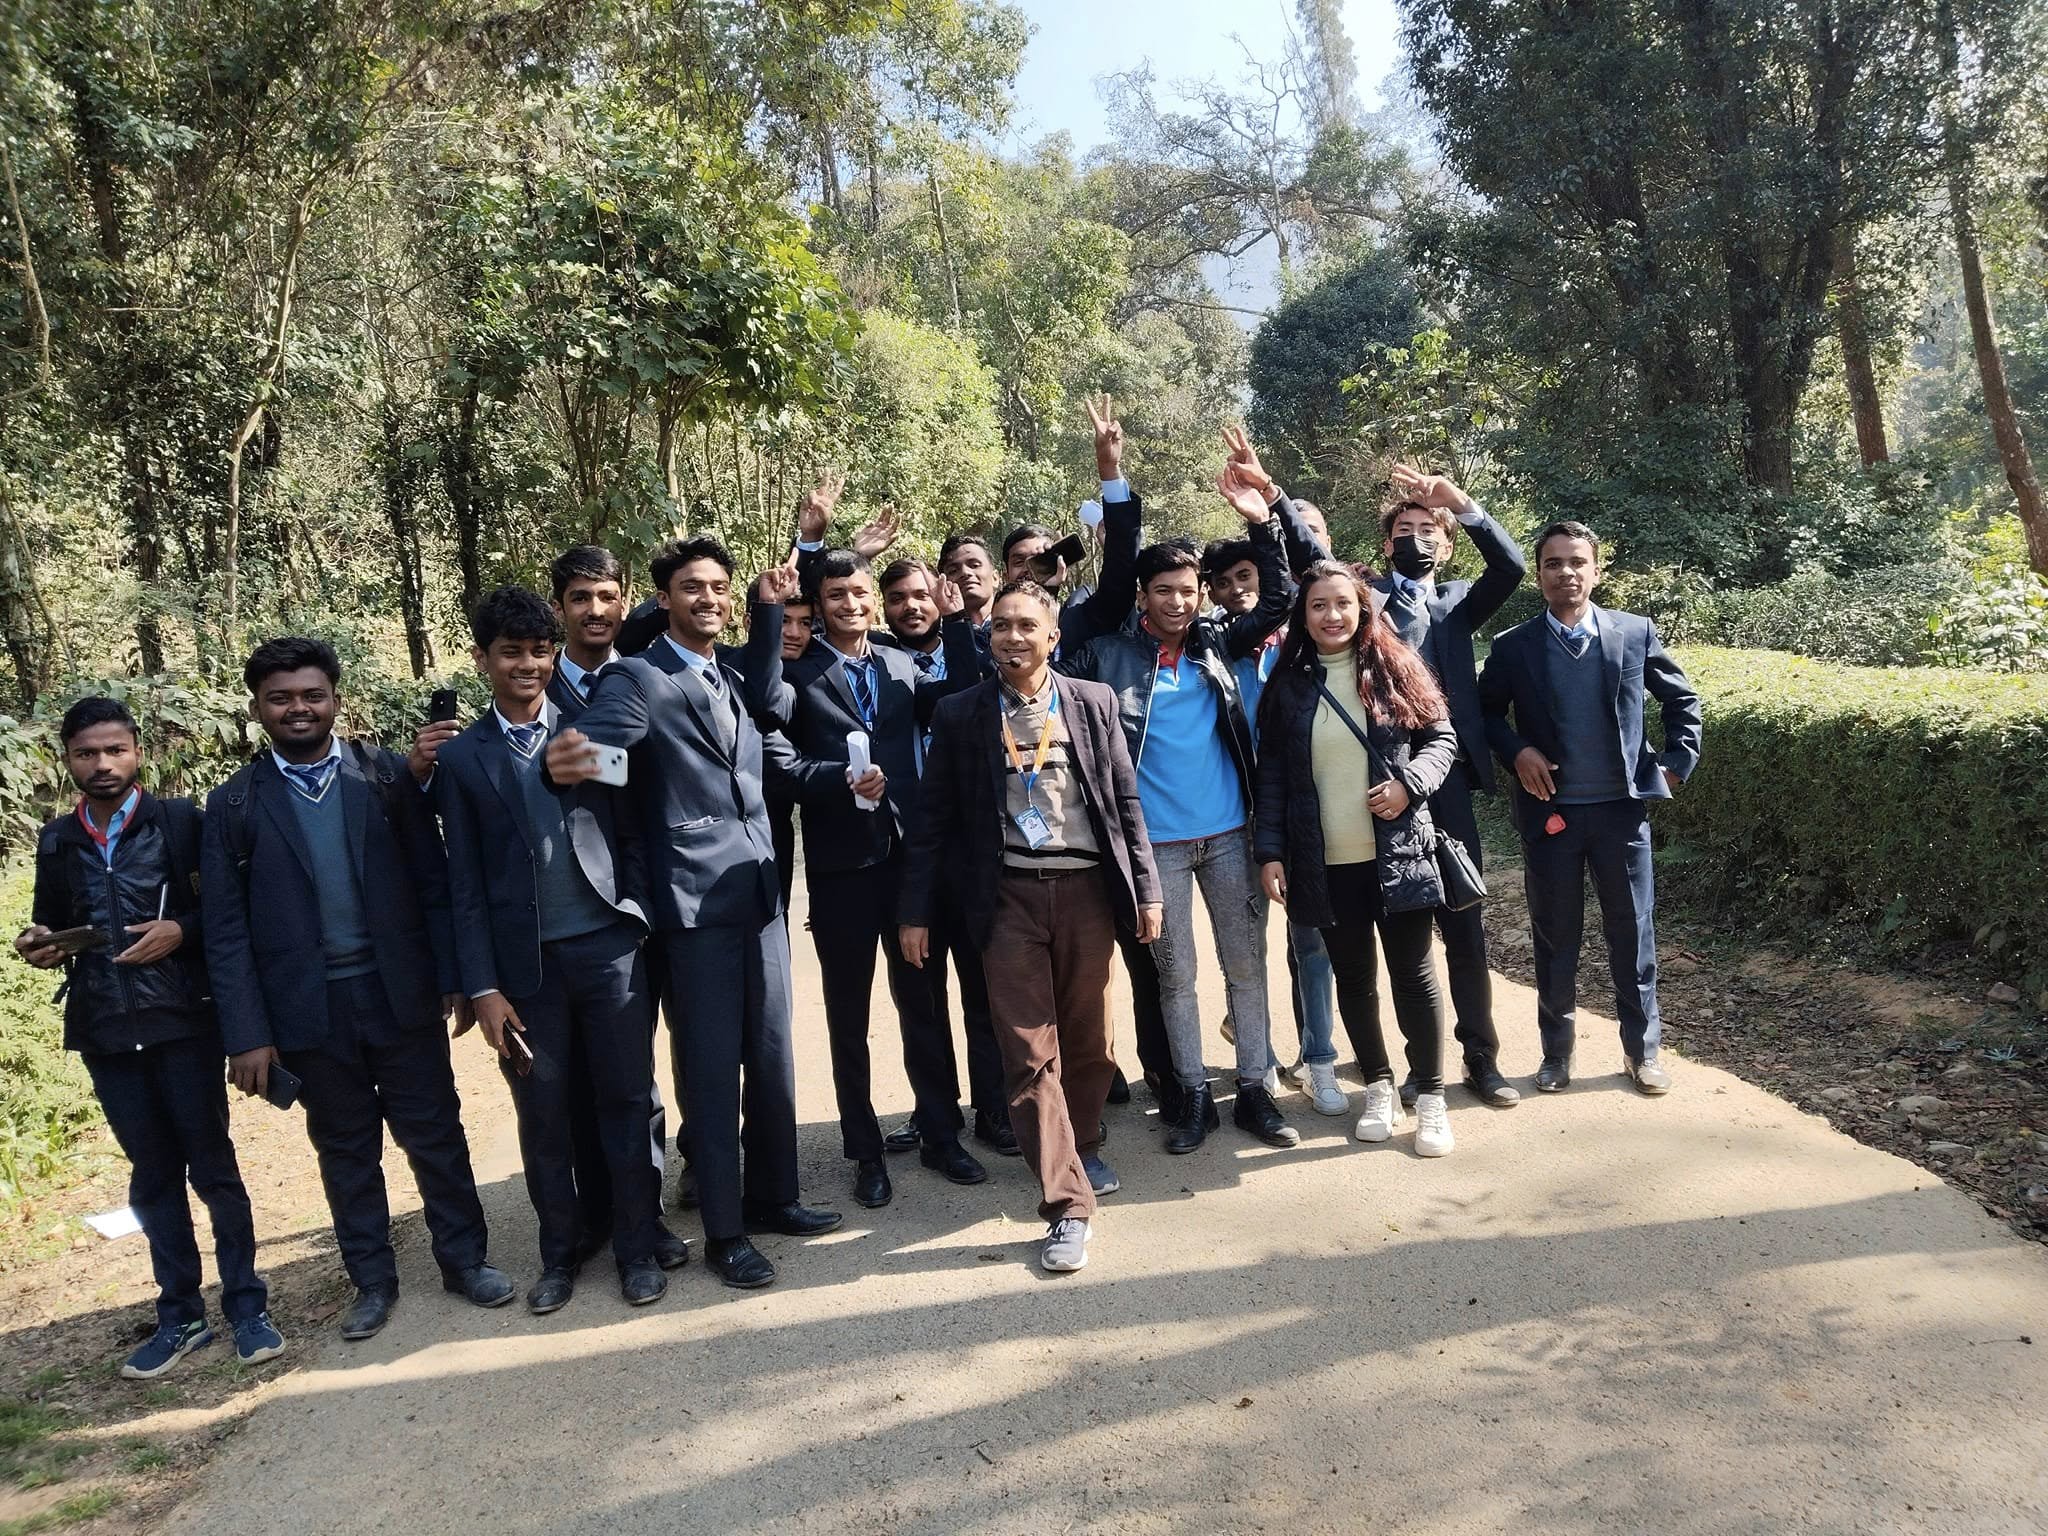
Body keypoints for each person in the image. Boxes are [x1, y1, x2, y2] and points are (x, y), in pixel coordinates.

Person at [546, 537, 840, 1290]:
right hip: (691, 907)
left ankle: (774, 1195)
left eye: (717, 586)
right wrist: (574, 762)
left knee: (771, 1057)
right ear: (664, 599)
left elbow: (772, 713)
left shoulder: (732, 673)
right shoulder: (639, 676)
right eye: (691, 587)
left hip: (760, 894)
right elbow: (595, 754)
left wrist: (770, 613)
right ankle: (724, 1232)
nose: (706, 598)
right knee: (710, 1074)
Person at [204, 638, 510, 1340]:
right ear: (258, 708)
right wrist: (247, 1033)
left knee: (434, 1132)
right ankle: (372, 1282)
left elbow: (434, 882)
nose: (299, 708)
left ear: (336, 700)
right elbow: (225, 931)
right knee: (344, 1149)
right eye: (281, 698)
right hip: (308, 1009)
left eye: (312, 695)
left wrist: (454, 978)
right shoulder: (235, 803)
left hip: (399, 994)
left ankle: (466, 1261)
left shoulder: (384, 776)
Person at [899, 581, 1163, 1272]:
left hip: (1087, 895)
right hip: (1006, 899)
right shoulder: (961, 712)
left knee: (1091, 1044)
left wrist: (1147, 891)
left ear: (1053, 637)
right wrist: (915, 911)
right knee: (1027, 1051)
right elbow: (932, 820)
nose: (1012, 637)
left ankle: (1081, 1144)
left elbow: (1125, 802)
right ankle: (1067, 1204)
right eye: (1000, 627)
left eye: (1026, 626)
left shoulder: (1091, 702)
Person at [16, 699, 283, 1379]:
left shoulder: (181, 822)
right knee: (152, 1175)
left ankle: (247, 1307)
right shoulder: (57, 840)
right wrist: (39, 944)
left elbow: (229, 912)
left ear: (137, 752)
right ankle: (181, 1315)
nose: (102, 764)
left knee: (214, 1169)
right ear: (68, 760)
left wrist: (180, 930)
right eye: (87, 753)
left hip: (183, 1024)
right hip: (106, 1032)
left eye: (115, 750)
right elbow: (50, 924)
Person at [434, 587, 677, 1314]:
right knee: (544, 1118)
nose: (528, 665)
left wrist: (637, 916)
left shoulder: (588, 734)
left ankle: (637, 1250)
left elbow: (632, 830)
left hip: (609, 952)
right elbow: (462, 885)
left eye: (540, 651)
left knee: (627, 1102)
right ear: (483, 659)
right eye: (511, 652)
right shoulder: (461, 760)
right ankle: (559, 1257)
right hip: (525, 976)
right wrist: (483, 988)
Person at [1060, 468, 1300, 1154]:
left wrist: (1261, 520)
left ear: (1202, 594)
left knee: (1245, 966)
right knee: (1176, 977)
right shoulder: (1105, 656)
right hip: (1155, 845)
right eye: (1163, 590)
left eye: (1188, 590)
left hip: (1229, 836)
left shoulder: (1216, 642)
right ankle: (1192, 1093)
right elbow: (1054, 661)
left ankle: (1254, 1089)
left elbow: (1280, 597)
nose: (1177, 601)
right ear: (1143, 596)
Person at [746, 547, 983, 1208]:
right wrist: (840, 780)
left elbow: (961, 701)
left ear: (871, 599)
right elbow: (774, 744)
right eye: (836, 596)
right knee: (848, 1019)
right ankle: (866, 1151)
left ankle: (941, 1133)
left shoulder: (902, 665)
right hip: (841, 872)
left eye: (858, 593)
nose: (850, 604)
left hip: (910, 868)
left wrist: (956, 624)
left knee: (923, 1005)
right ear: (820, 607)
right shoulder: (798, 673)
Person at [1479, 521, 1701, 1096]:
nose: (1566, 573)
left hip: (1621, 815)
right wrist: (1517, 751)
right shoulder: (1514, 646)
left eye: (1577, 562)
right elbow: (1483, 715)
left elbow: (1681, 699)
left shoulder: (1634, 632)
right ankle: (1557, 1055)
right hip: (1550, 817)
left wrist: (1676, 762)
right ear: (1540, 575)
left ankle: (1642, 1052)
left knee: (1633, 934)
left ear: (1596, 571)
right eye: (1553, 563)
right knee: (1555, 937)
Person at [1255, 562, 1463, 1154]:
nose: (1332, 615)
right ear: (1303, 616)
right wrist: (1270, 852)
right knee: (1353, 979)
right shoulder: (1288, 686)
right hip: (1325, 862)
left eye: (1343, 603)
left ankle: (1431, 1098)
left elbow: (1442, 739)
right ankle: (1377, 1085)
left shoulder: (1395, 667)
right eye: (1318, 605)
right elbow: (1273, 778)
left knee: (1414, 976)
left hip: (1398, 852)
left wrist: (1409, 786)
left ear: (1363, 608)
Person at [1357, 466, 1528, 1109]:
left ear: (1448, 545)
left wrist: (1463, 504)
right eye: (1405, 530)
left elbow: (1510, 567)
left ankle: (1481, 1057)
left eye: (1430, 530)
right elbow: (1311, 572)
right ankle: (1418, 1064)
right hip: (1384, 782)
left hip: (1448, 781)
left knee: (1464, 923)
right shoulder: (1366, 600)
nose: (1417, 538)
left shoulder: (1459, 603)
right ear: (1386, 545)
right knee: (1404, 932)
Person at [545, 546, 692, 1252]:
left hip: (657, 898)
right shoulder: (534, 686)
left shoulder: (647, 676)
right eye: (580, 598)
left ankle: (647, 1212)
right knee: (584, 1076)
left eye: (607, 597)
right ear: (559, 608)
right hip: (576, 915)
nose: (596, 611)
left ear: (624, 600)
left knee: (642, 1076)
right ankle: (597, 1210)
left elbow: (658, 768)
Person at [873, 556, 1015, 1160]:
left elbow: (963, 694)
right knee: (921, 1000)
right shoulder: (882, 666)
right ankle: (936, 1117)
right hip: (909, 856)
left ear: (941, 597)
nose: (911, 606)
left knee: (985, 993)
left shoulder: (977, 651)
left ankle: (996, 1109)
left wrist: (958, 624)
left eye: (921, 595)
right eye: (897, 597)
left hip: (974, 855)